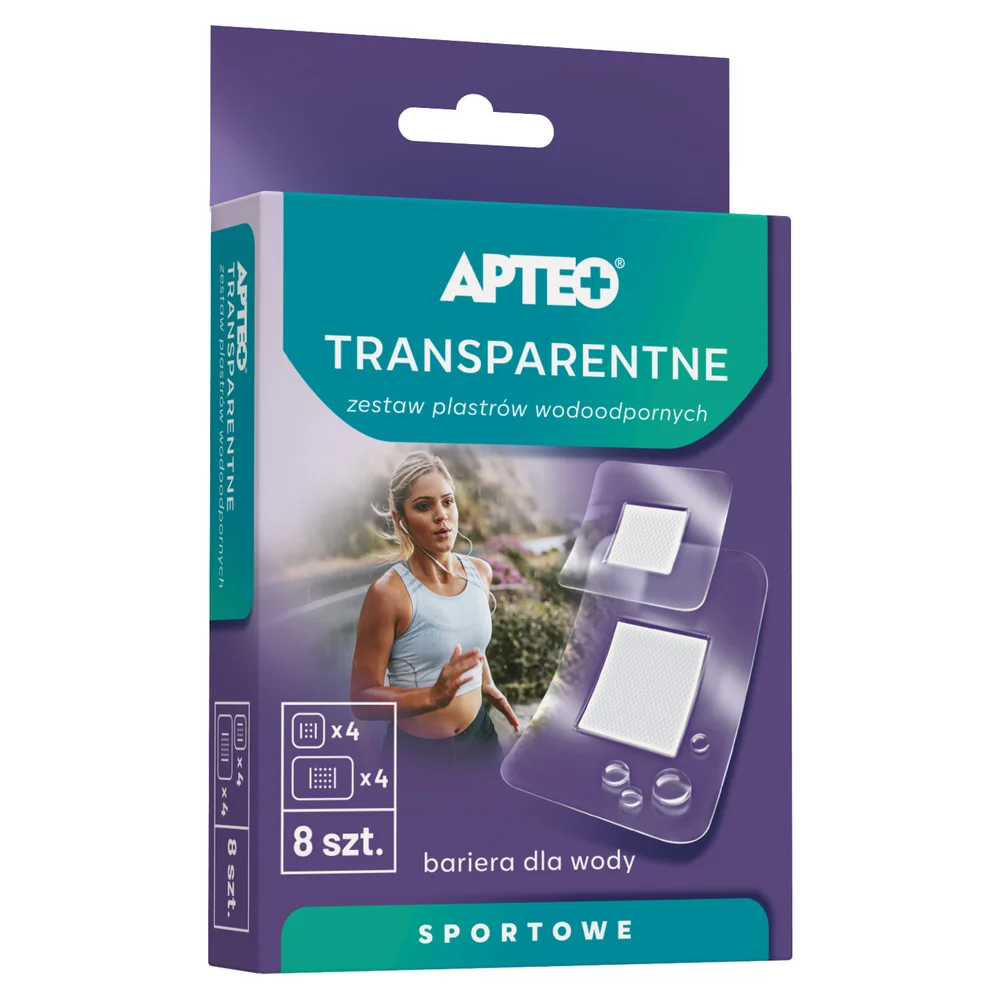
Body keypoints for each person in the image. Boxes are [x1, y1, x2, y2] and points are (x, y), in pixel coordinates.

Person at [350, 451, 518, 766]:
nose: (441, 515)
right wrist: (431, 696)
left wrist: (486, 682)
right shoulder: (387, 594)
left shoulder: (481, 572)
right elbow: (361, 699)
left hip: (481, 738)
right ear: (401, 520)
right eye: (424, 506)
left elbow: (467, 642)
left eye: (447, 501)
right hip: (416, 758)